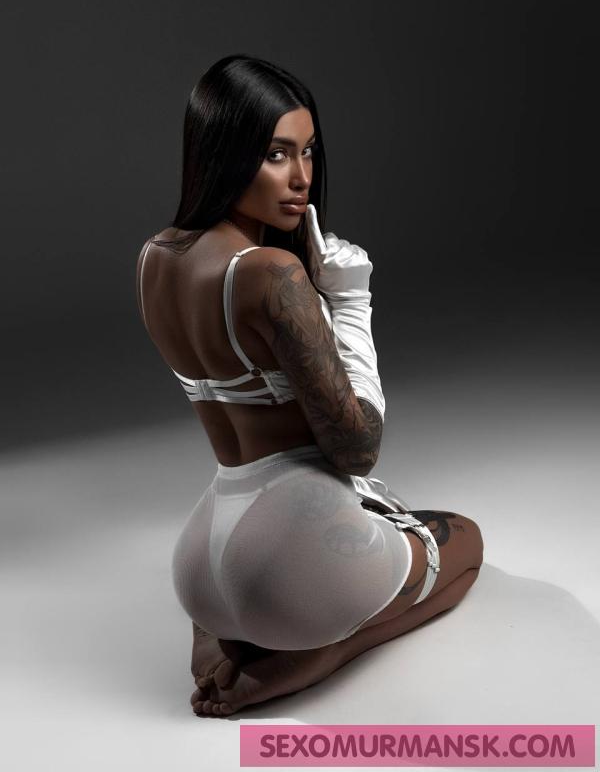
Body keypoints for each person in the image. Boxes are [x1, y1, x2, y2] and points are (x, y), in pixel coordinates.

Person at [135, 54, 484, 717]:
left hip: (201, 561)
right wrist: (351, 300)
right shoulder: (271, 274)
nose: (301, 179)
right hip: (291, 559)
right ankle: (318, 657)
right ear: (225, 154)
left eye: (308, 152)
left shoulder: (156, 257)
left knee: (348, 532)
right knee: (464, 543)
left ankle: (223, 639)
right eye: (276, 155)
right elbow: (357, 450)